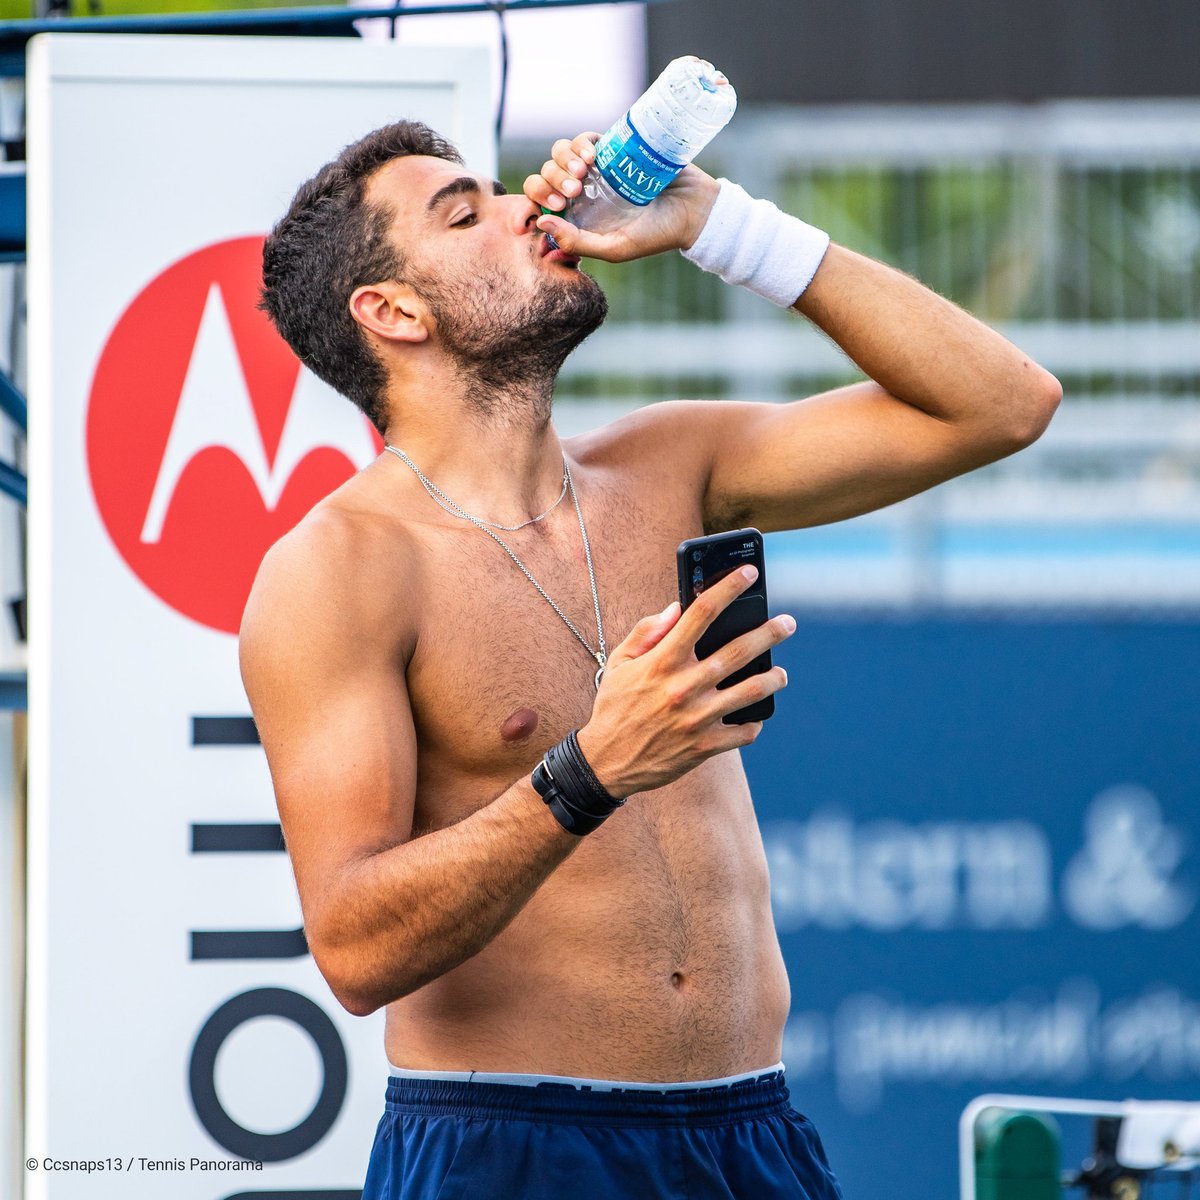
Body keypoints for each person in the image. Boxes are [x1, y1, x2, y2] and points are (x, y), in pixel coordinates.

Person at [242, 119, 1061, 1199]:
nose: (524, 207)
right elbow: (353, 949)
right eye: (464, 211)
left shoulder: (669, 466)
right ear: (394, 312)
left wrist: (724, 225)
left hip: (751, 1130)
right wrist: (589, 770)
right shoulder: (337, 570)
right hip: (510, 1141)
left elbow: (1004, 404)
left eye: (497, 188)